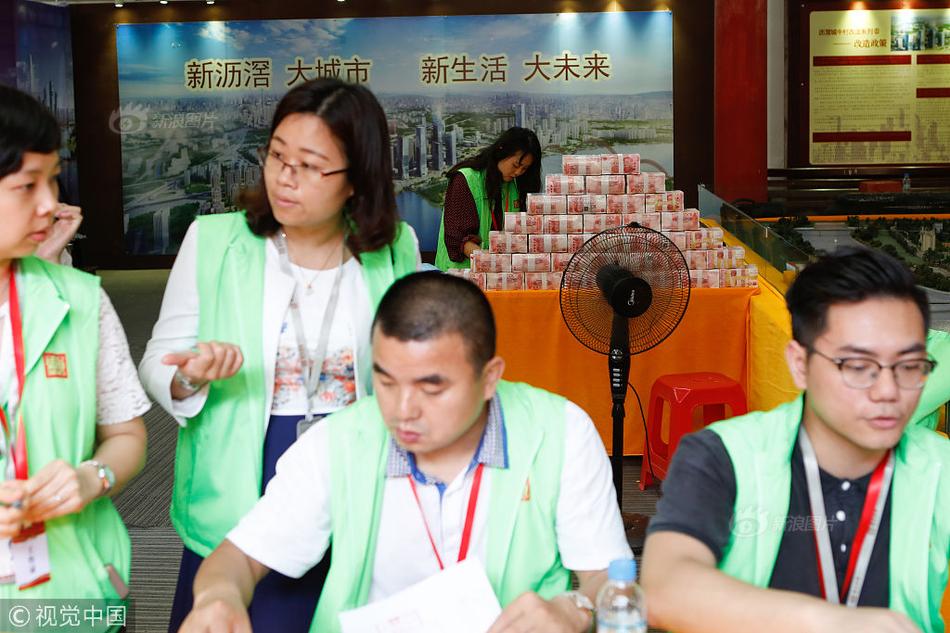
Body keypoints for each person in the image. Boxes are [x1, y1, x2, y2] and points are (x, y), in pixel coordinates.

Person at [177, 271, 631, 633]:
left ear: (489, 377)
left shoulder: (559, 431)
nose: (402, 411)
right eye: (387, 382)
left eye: (432, 387)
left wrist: (576, 608)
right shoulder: (338, 442)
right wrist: (220, 598)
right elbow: (238, 559)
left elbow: (607, 575)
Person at [138, 78, 420, 632]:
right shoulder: (216, 241)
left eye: (311, 165)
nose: (284, 178)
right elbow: (157, 360)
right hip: (243, 467)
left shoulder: (396, 248)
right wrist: (188, 377)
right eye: (276, 156)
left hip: (355, 464)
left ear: (356, 179)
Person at [642, 247, 950, 633]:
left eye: (909, 366)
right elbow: (666, 588)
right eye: (858, 366)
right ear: (800, 364)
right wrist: (831, 623)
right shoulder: (723, 455)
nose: (888, 390)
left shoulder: (941, 467)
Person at [0, 86, 148, 613]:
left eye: (53, 179)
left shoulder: (79, 299)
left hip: (73, 595)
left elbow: (127, 435)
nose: (50, 203)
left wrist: (93, 477)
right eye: (26, 186)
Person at [435, 127, 541, 270]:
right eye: (516, 165)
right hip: (461, 275)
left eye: (524, 169)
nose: (518, 172)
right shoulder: (465, 179)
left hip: (497, 273)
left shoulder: (515, 185)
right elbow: (457, 239)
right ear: (501, 151)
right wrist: (489, 260)